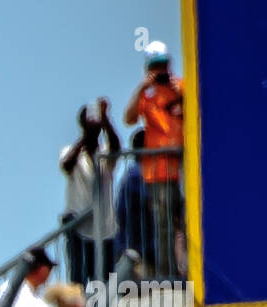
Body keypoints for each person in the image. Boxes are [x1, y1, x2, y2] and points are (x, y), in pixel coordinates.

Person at [124, 40, 184, 277]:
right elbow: (128, 119)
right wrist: (140, 88)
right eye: (155, 66)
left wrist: (181, 96)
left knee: (189, 221)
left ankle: (191, 269)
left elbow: (201, 114)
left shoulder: (181, 87)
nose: (160, 71)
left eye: (163, 65)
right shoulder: (147, 95)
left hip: (185, 168)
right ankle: (167, 273)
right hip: (158, 171)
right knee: (163, 225)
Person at [60, 98, 120, 286]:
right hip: (78, 219)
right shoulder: (71, 151)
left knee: (104, 275)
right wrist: (85, 137)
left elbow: (116, 148)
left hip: (103, 223)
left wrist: (106, 121)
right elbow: (66, 165)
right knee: (78, 271)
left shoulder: (105, 154)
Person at [113, 128, 154, 276]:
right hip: (138, 252)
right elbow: (150, 202)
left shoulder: (132, 174)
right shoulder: (138, 174)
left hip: (134, 249)